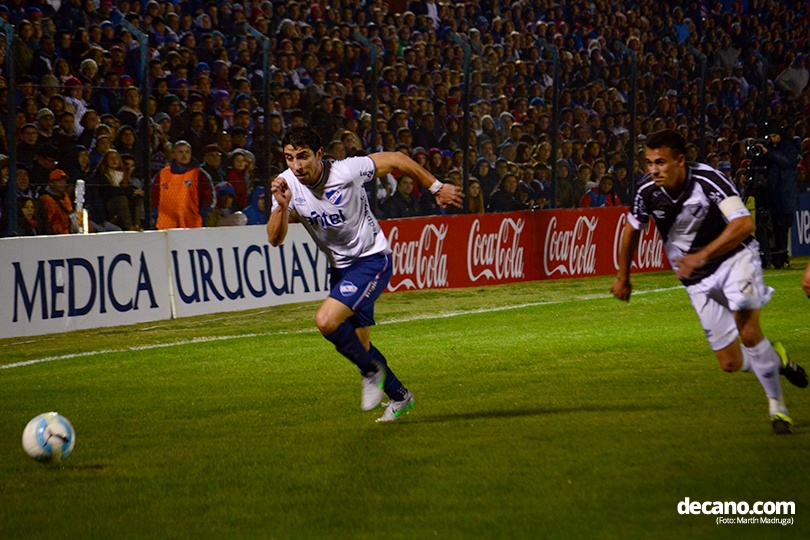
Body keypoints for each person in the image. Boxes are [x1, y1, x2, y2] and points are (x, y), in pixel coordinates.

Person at [611, 130, 807, 435]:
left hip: (735, 260)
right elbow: (631, 230)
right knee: (730, 363)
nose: (653, 169)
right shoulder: (647, 190)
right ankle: (775, 358)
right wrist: (623, 277)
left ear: (680, 160)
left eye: (660, 162)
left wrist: (700, 256)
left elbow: (744, 224)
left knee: (748, 330)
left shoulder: (707, 180)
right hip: (696, 279)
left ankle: (778, 408)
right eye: (649, 162)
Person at [266, 125, 462, 422]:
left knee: (326, 321)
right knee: (361, 345)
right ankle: (400, 396)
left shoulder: (345, 171)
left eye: (303, 156)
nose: (297, 165)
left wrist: (436, 187)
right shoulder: (286, 184)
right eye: (290, 158)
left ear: (319, 154)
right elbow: (275, 238)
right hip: (340, 269)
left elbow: (396, 159)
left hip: (372, 260)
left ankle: (371, 372)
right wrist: (281, 207)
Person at [151, 140, 214, 229]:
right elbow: (153, 196)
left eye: (187, 152)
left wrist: (203, 214)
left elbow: (209, 197)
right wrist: (156, 215)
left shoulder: (200, 174)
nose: (184, 155)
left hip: (193, 225)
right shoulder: (162, 174)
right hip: (166, 227)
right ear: (174, 154)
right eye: (180, 152)